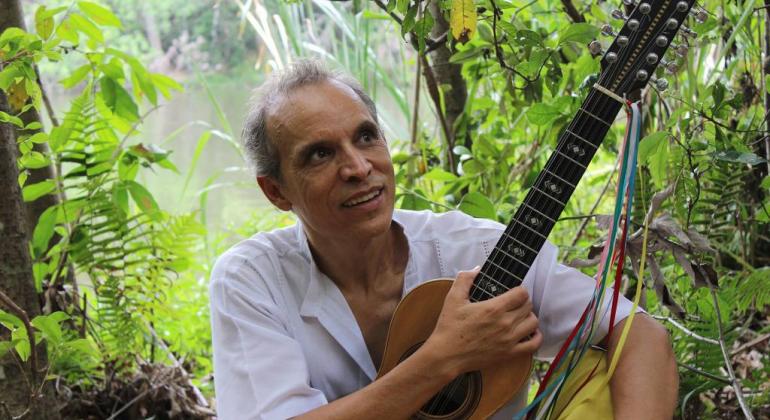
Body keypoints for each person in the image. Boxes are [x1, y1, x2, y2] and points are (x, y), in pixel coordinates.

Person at [209, 60, 678, 420]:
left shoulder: (475, 252)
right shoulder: (252, 280)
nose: (357, 168)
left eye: (366, 137)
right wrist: (444, 357)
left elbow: (639, 333)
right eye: (320, 154)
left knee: (598, 368)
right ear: (276, 191)